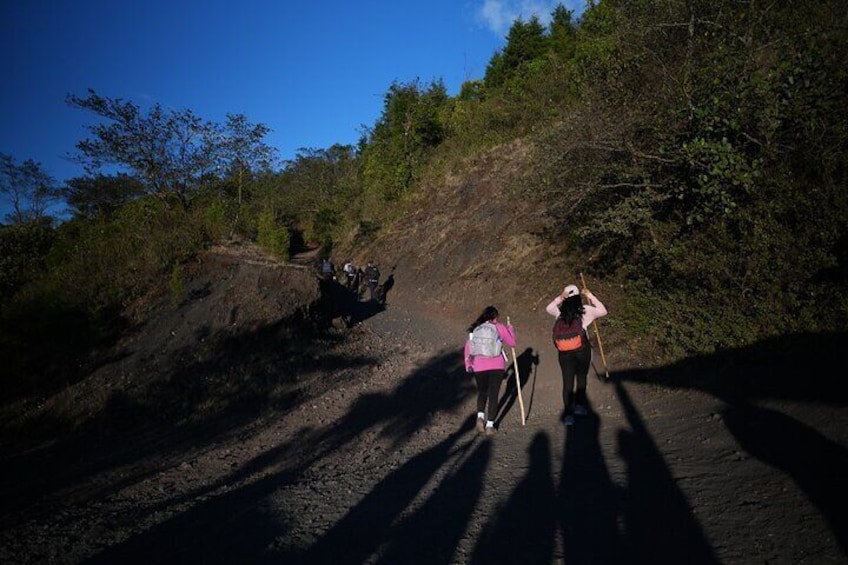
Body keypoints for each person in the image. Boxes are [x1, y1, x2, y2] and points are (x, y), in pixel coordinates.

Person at [545, 284, 607, 426]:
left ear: (566, 297)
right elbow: (603, 311)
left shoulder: (560, 313)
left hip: (564, 352)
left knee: (567, 382)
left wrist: (560, 297)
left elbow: (548, 308)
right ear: (578, 296)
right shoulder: (585, 310)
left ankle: (568, 415)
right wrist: (590, 295)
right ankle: (579, 406)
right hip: (581, 350)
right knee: (581, 377)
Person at [464, 305, 517, 435]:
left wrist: (468, 365)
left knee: (482, 392)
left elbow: (468, 347)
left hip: (479, 366)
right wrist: (510, 329)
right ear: (496, 317)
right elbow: (512, 343)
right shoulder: (500, 327)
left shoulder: (477, 328)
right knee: (493, 395)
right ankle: (489, 426)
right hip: (496, 366)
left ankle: (480, 417)